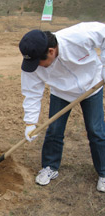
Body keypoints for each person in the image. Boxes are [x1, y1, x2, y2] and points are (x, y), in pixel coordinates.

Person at [19, 22, 105, 192]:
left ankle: (103, 172)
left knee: (96, 130)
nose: (37, 66)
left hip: (92, 86)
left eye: (40, 62)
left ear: (51, 51)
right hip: (61, 92)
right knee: (54, 130)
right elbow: (32, 93)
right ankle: (50, 167)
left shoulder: (78, 36)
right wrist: (30, 122)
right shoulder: (33, 64)